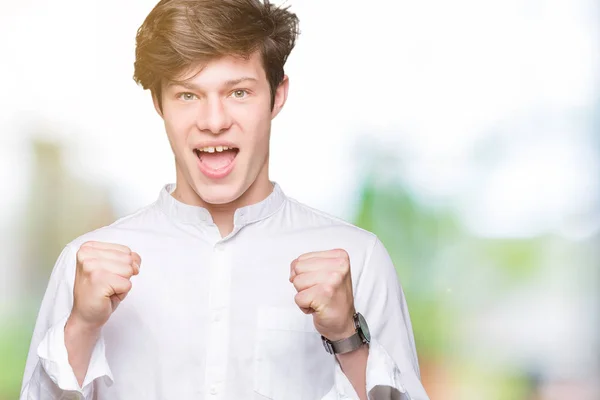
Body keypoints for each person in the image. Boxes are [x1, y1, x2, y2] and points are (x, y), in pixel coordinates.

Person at [20, 1, 429, 399]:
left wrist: (346, 338)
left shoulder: (359, 259)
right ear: (158, 103)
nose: (214, 122)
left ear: (277, 95)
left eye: (238, 92)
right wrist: (81, 327)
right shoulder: (84, 266)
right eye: (187, 95)